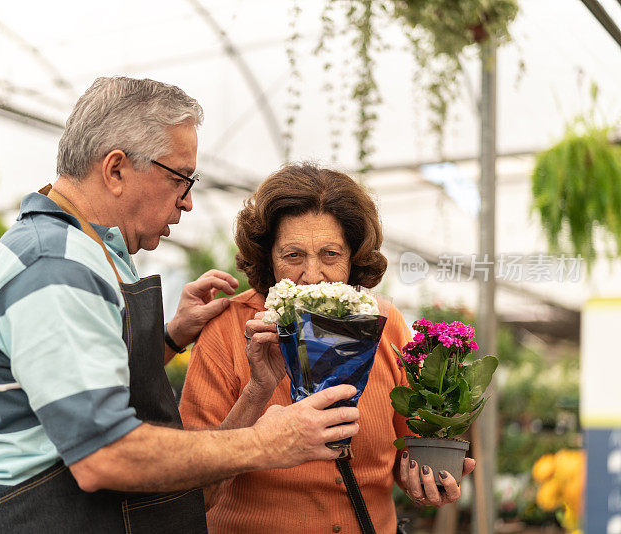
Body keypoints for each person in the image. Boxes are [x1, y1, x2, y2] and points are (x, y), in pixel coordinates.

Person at [0, 78, 362, 534]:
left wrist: (170, 338)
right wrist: (269, 442)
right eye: (180, 179)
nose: (187, 202)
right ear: (115, 170)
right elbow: (105, 454)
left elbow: (93, 379)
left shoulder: (97, 254)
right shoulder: (56, 265)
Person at [180, 163, 476, 533]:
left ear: (354, 257)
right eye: (293, 256)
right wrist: (256, 394)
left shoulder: (384, 324)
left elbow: (410, 449)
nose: (313, 274)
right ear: (268, 258)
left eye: (331, 254)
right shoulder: (227, 330)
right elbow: (191, 495)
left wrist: (425, 478)